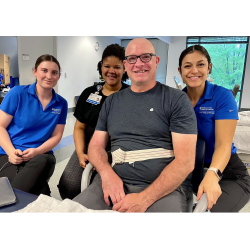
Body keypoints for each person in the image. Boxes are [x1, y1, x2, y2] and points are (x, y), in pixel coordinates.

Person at [73, 38, 198, 212]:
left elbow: (185, 161)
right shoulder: (112, 102)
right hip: (113, 184)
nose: (138, 64)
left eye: (145, 57)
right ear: (126, 64)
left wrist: (144, 198)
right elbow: (95, 146)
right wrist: (107, 175)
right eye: (132, 58)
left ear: (157, 61)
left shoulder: (175, 100)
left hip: (164, 190)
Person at [178, 45, 250, 212]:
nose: (194, 70)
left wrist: (212, 174)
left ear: (209, 67)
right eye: (187, 66)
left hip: (227, 173)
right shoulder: (177, 99)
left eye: (201, 64)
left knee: (205, 213)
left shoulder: (222, 96)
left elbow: (223, 145)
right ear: (180, 70)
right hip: (190, 170)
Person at [57, 44, 129, 199]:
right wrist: (81, 153)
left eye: (117, 67)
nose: (111, 71)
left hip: (117, 152)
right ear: (101, 67)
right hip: (89, 149)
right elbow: (79, 128)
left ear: (124, 69)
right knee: (68, 185)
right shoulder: (89, 93)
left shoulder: (130, 95)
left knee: (101, 192)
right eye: (107, 66)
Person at [0, 54, 68, 196]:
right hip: (10, 153)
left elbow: (56, 136)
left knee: (41, 161)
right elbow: (1, 126)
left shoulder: (61, 103)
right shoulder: (17, 94)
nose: (49, 76)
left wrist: (36, 151)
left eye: (54, 72)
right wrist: (11, 152)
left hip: (41, 155)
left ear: (59, 76)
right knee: (39, 191)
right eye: (44, 70)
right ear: (35, 71)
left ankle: (8, 202)